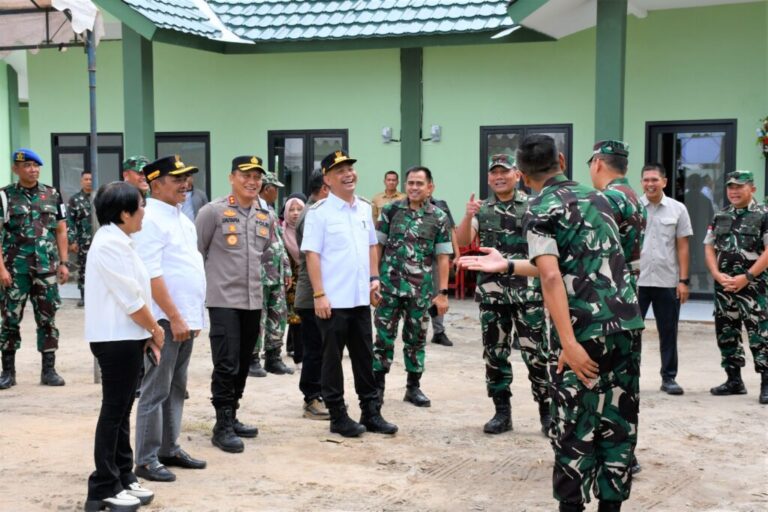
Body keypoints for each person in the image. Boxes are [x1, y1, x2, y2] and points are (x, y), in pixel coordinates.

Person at [461, 135, 644, 512]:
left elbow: (549, 278)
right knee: (618, 421)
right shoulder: (599, 197)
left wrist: (568, 343)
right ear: (561, 160)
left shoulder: (540, 207)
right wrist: (508, 264)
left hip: (585, 329)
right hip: (625, 324)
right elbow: (574, 261)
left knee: (573, 427)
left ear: (523, 176)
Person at [301, 149, 398, 437]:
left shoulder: (364, 208)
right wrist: (319, 294)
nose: (348, 174)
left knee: (364, 357)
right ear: (327, 179)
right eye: (340, 170)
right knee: (332, 359)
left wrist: (374, 279)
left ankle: (370, 412)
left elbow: (371, 246)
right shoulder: (319, 212)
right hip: (332, 300)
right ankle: (338, 415)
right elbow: (312, 255)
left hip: (359, 298)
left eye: (350, 168)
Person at [454, 154, 549, 435]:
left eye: (504, 172)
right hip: (493, 294)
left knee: (536, 355)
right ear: (488, 178)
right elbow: (461, 241)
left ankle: (547, 412)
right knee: (495, 355)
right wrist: (468, 214)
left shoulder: (533, 206)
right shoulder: (482, 211)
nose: (499, 177)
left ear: (517, 175)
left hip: (528, 293)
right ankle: (501, 413)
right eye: (494, 173)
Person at [84, 181, 162, 512]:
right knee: (114, 411)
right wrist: (156, 329)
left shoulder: (121, 241)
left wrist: (145, 333)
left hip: (128, 336)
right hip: (115, 338)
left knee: (122, 410)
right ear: (124, 213)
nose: (144, 212)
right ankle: (103, 486)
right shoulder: (108, 246)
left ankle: (123, 476)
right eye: (141, 206)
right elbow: (131, 299)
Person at [132, 155, 207, 482]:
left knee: (176, 387)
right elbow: (152, 275)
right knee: (156, 389)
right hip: (165, 319)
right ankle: (146, 459)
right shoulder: (150, 220)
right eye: (177, 179)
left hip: (184, 319)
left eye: (186, 178)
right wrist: (175, 317)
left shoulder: (183, 219)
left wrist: (193, 317)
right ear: (155, 183)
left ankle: (168, 447)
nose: (185, 184)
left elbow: (187, 270)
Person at [195, 155, 276, 453]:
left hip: (253, 300)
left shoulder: (264, 214)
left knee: (243, 362)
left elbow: (265, 254)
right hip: (223, 300)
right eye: (246, 175)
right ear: (232, 177)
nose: (252, 181)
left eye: (257, 177)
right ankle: (222, 423)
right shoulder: (212, 212)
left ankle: (233, 412)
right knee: (226, 362)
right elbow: (197, 253)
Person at [588, 140, 647, 476]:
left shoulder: (606, 199)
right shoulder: (634, 198)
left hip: (603, 301)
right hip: (628, 297)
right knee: (624, 382)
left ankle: (605, 454)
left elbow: (594, 251)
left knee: (600, 381)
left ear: (598, 163)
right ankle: (626, 455)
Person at [373, 166, 452, 408]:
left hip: (420, 291)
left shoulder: (438, 217)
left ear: (430, 187)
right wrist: (373, 279)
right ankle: (377, 389)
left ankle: (413, 387)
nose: (414, 187)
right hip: (388, 287)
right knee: (383, 339)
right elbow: (377, 247)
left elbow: (442, 257)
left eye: (419, 183)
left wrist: (443, 293)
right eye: (410, 183)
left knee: (416, 339)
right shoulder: (390, 210)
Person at [0, 149, 69, 390]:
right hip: (15, 270)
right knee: (10, 319)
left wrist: (63, 262)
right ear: (15, 169)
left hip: (46, 269)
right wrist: (1, 269)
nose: (33, 169)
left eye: (36, 165)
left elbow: (61, 229)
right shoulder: (4, 196)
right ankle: (7, 371)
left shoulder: (52, 194)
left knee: (48, 319)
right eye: (27, 165)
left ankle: (49, 370)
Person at [704, 170, 768, 404]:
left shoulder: (764, 215)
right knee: (726, 331)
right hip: (724, 287)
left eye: (739, 186)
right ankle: (734, 380)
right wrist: (715, 273)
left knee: (760, 334)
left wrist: (747, 276)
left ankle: (766, 383)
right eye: (731, 186)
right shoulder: (721, 215)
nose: (734, 191)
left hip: (754, 286)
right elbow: (709, 247)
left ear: (752, 189)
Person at [638, 163, 692, 395]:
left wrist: (684, 280)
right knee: (629, 334)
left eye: (655, 180)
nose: (650, 184)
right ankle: (629, 378)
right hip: (635, 282)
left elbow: (683, 247)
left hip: (666, 281)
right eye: (646, 180)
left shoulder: (678, 209)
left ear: (664, 182)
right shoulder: (633, 208)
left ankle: (669, 378)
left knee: (668, 331)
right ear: (641, 182)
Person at [293, 170, 331, 420]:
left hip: (320, 292)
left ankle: (322, 393)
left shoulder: (317, 211)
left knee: (324, 348)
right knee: (314, 349)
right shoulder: (311, 215)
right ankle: (311, 398)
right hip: (311, 295)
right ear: (324, 188)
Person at [251, 171, 294, 376]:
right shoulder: (252, 209)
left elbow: (278, 242)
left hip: (275, 273)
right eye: (275, 189)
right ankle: (252, 358)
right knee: (258, 318)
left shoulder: (270, 211)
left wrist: (285, 267)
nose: (277, 193)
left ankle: (273, 356)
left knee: (278, 315)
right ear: (267, 189)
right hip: (259, 274)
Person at [428, 193, 460, 347]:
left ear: (430, 186)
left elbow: (452, 229)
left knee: (438, 293)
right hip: (415, 256)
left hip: (438, 255)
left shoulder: (441, 204)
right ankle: (415, 331)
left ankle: (438, 332)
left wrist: (457, 254)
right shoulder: (405, 206)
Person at [282, 195, 306, 365]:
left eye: (299, 209)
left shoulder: (309, 229)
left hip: (308, 279)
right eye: (291, 209)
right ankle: (297, 351)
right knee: (294, 317)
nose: (296, 213)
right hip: (289, 281)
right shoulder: (281, 232)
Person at [67, 170, 93, 308]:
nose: (89, 181)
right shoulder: (75, 200)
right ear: (81, 181)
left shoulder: (100, 198)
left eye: (91, 179)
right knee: (84, 269)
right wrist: (72, 240)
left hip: (100, 239)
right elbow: (69, 221)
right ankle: (84, 296)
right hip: (84, 241)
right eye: (86, 179)